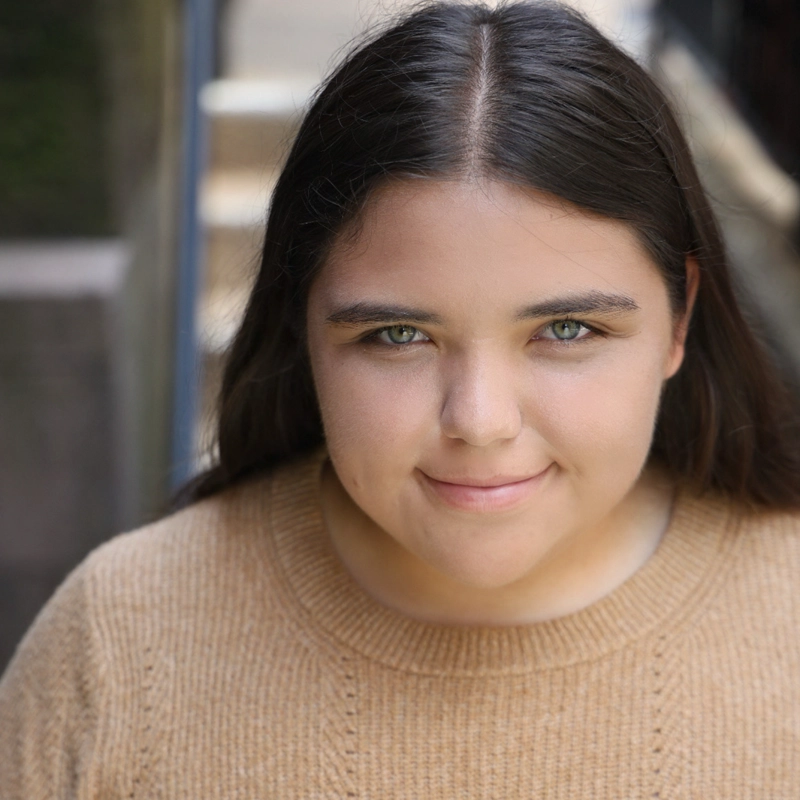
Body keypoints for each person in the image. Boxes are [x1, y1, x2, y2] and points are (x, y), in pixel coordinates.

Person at [2, 1, 800, 796]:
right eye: (398, 336)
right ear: (302, 327)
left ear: (679, 318)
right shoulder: (116, 646)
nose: (481, 422)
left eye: (565, 329)